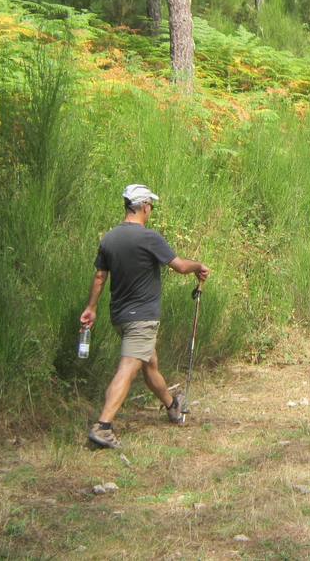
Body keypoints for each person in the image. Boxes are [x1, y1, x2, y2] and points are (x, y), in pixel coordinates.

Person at [80, 184, 209, 449]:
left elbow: (99, 277)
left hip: (120, 316)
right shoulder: (149, 238)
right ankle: (103, 426)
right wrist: (199, 267)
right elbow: (180, 266)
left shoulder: (109, 239)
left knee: (149, 363)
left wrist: (91, 308)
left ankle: (172, 406)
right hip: (142, 317)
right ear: (144, 206)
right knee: (128, 368)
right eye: (151, 206)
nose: (151, 210)